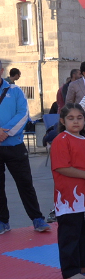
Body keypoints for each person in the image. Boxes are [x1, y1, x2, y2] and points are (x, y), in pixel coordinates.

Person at [51, 103, 85, 279]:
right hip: (69, 198)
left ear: (84, 120)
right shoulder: (61, 140)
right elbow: (61, 167)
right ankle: (70, 270)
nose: (76, 122)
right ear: (62, 121)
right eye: (71, 118)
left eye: (79, 118)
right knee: (70, 234)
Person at [0, 59, 50, 234]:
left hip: (15, 146)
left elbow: (23, 114)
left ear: (1, 70)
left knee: (25, 184)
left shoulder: (15, 91)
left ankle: (37, 219)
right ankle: (2, 221)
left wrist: (5, 132)